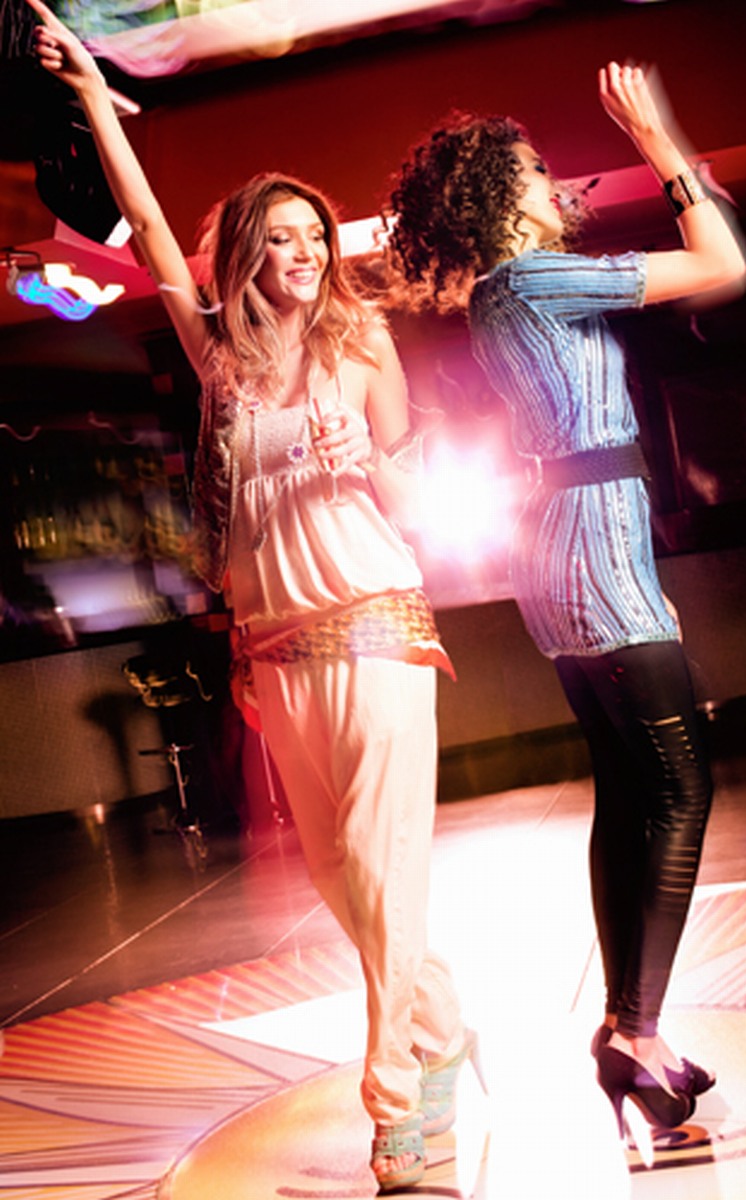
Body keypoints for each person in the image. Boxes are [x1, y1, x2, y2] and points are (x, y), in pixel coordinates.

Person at [26, 1, 483, 1191]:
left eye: (313, 238)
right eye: (280, 240)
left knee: (381, 865)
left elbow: (410, 491)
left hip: (375, 626)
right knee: (343, 879)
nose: (305, 255)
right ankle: (445, 1031)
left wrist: (365, 461)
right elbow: (145, 229)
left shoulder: (361, 346)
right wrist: (91, 95)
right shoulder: (219, 359)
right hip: (274, 651)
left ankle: (395, 1105)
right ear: (246, 257)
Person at [387, 62, 746, 1159]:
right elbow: (721, 265)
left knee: (630, 790)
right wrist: (660, 139)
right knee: (679, 787)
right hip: (592, 554)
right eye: (535, 170)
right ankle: (634, 1031)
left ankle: (628, 1030)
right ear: (497, 196)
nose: (553, 183)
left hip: (566, 551)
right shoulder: (535, 279)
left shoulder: (503, 294)